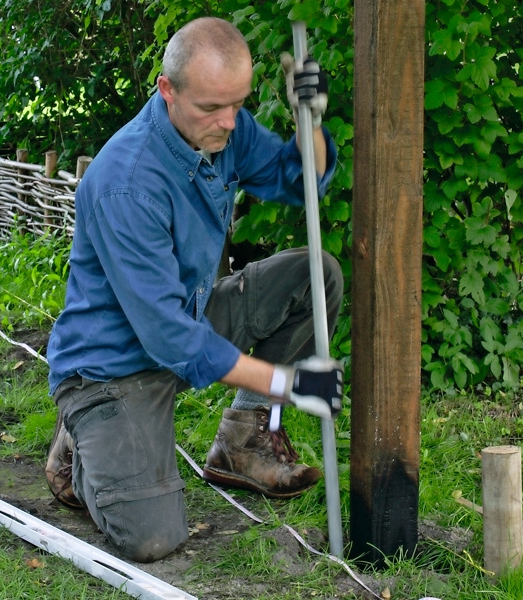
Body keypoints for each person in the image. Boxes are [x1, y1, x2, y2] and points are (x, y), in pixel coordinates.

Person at [44, 16, 344, 563]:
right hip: (111, 370)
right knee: (152, 537)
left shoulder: (223, 127)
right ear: (168, 91)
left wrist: (312, 126)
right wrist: (291, 381)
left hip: (187, 321)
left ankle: (243, 438)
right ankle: (83, 441)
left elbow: (300, 182)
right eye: (212, 107)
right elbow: (169, 338)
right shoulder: (126, 184)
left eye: (239, 103)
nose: (230, 122)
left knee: (315, 277)